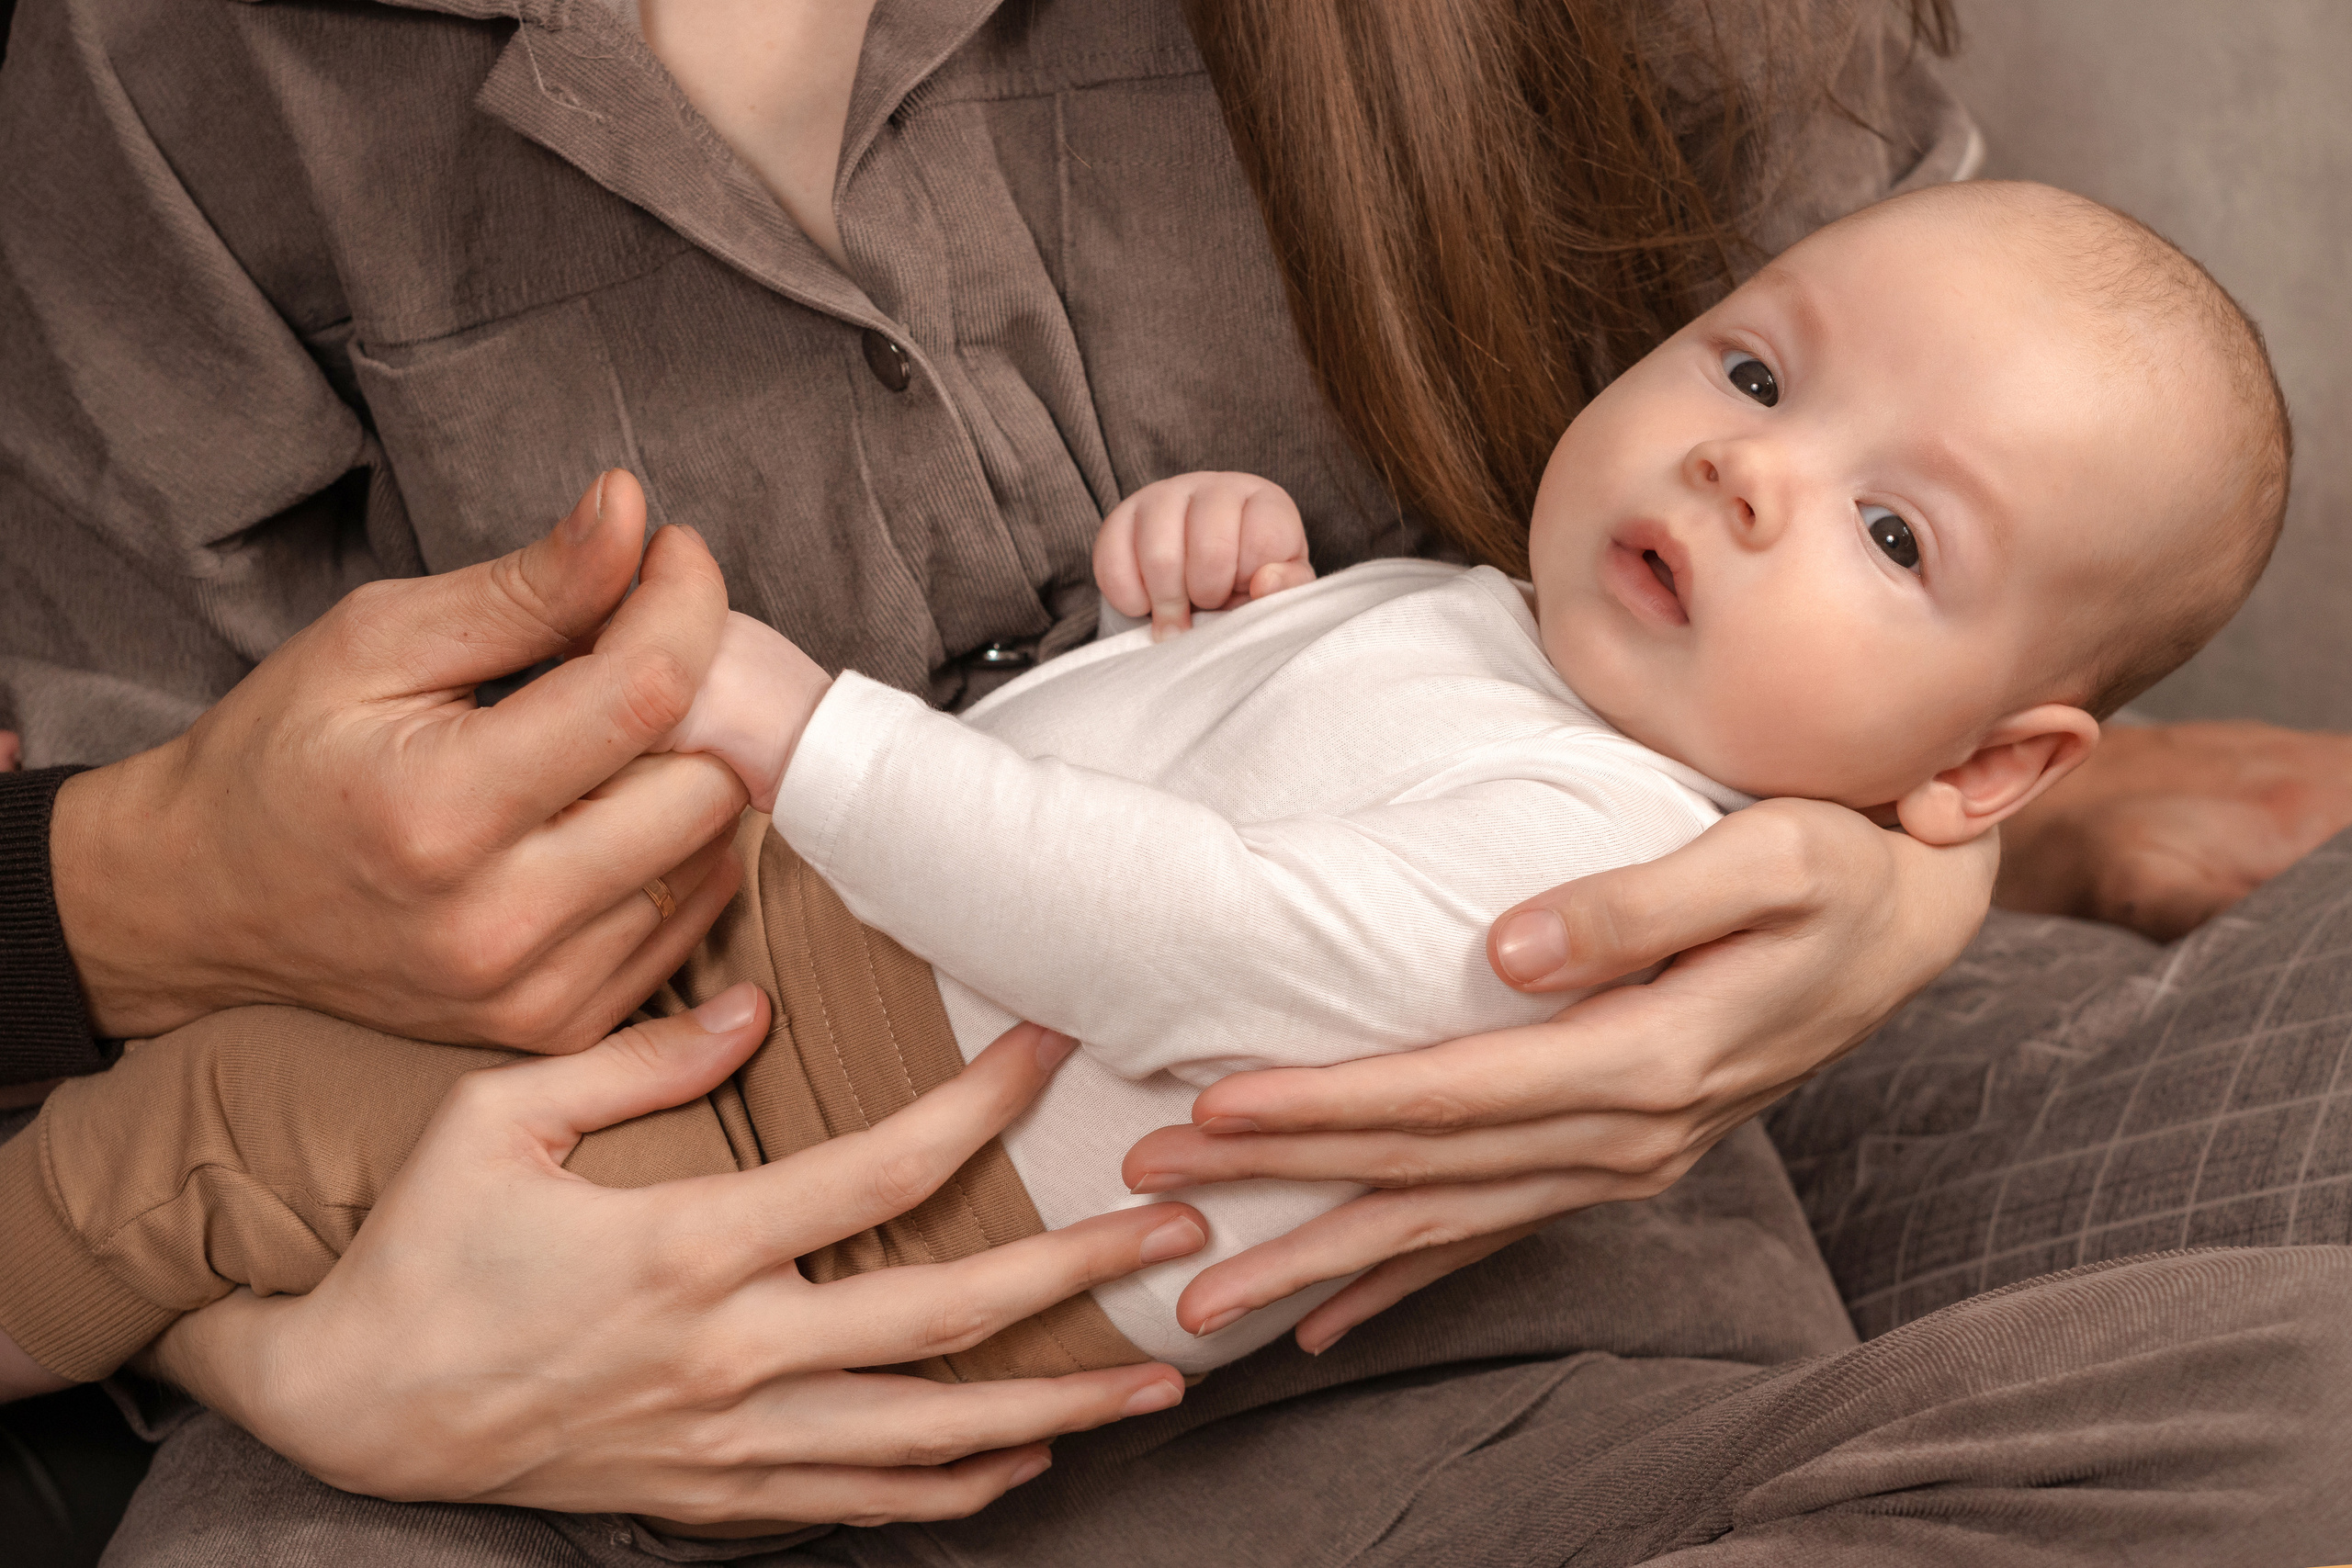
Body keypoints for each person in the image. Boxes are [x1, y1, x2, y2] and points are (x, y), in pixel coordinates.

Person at [1, 0, 2347, 1561]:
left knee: (2291, 1415)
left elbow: (2002, 414)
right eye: (1739, 381)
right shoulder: (159, 68)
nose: (1753, 477)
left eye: (1878, 520)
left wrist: (1899, 869)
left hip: (1472, 1389)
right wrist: (334, 1371)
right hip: (554, 1315)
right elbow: (143, 873)